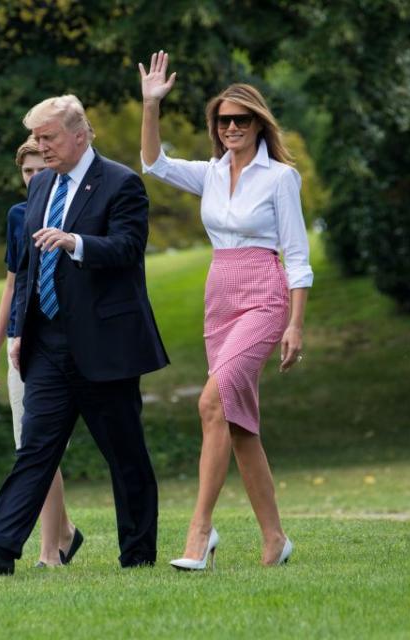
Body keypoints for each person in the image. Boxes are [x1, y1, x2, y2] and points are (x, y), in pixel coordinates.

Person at [0, 94, 169, 576]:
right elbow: (27, 266)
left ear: (80, 134)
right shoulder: (41, 184)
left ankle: (137, 555)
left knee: (125, 453)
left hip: (104, 345)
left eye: (47, 137)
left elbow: (128, 249)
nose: (39, 147)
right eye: (36, 138)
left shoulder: (121, 183)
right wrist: (19, 329)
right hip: (46, 342)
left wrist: (76, 242)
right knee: (35, 447)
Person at [138, 51, 312, 570]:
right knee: (238, 426)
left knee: (212, 402)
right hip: (220, 297)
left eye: (241, 119)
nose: (231, 127)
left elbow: (297, 256)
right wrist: (151, 106)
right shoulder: (210, 174)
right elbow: (154, 164)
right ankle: (275, 539)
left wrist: (296, 325)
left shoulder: (281, 178)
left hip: (265, 295)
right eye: (223, 120)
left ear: (258, 123)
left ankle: (199, 532)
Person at [0, 135, 82, 568]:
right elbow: (11, 284)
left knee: (40, 444)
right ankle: (65, 533)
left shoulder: (71, 213)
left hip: (60, 341)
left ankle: (51, 551)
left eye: (41, 169)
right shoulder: (18, 216)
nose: (34, 177)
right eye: (27, 171)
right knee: (30, 443)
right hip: (21, 340)